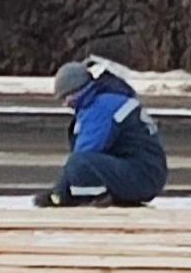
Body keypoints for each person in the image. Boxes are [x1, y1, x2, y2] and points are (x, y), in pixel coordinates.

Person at [40, 57, 169, 207]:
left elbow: (84, 153)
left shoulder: (101, 107)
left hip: (142, 176)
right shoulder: (109, 99)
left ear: (77, 91)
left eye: (65, 98)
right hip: (146, 172)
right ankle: (113, 197)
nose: (65, 104)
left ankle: (94, 201)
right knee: (81, 165)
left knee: (79, 164)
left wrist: (58, 195)